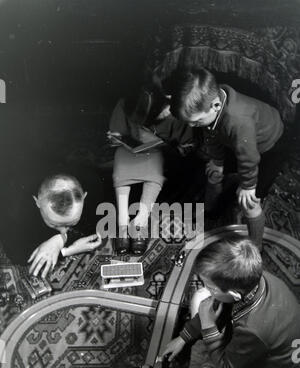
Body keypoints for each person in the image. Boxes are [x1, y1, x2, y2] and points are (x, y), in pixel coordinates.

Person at [161, 234, 300, 368]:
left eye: (210, 286)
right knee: (201, 297)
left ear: (233, 294)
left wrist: (207, 324)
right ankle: (203, 350)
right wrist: (183, 337)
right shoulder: (249, 280)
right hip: (258, 336)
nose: (206, 288)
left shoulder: (254, 329)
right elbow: (220, 303)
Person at [170, 67, 285, 250]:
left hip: (270, 146)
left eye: (196, 121)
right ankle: (211, 214)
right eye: (189, 122)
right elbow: (211, 132)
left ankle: (254, 248)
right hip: (237, 141)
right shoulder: (213, 106)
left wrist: (248, 186)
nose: (192, 126)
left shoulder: (238, 121)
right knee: (212, 172)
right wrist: (217, 161)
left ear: (216, 106)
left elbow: (249, 157)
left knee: (249, 201)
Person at [108, 84, 194, 255]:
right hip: (130, 152)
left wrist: (162, 145)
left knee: (155, 167)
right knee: (121, 163)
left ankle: (141, 219)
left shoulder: (177, 111)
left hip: (160, 154)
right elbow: (115, 135)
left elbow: (188, 147)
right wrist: (115, 138)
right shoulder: (126, 103)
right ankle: (123, 222)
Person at [2, 174, 102, 278]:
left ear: (84, 197)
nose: (63, 231)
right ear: (37, 202)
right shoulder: (15, 213)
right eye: (54, 224)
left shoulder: (94, 185)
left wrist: (61, 240)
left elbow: (93, 226)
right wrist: (67, 251)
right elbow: (18, 256)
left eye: (71, 224)